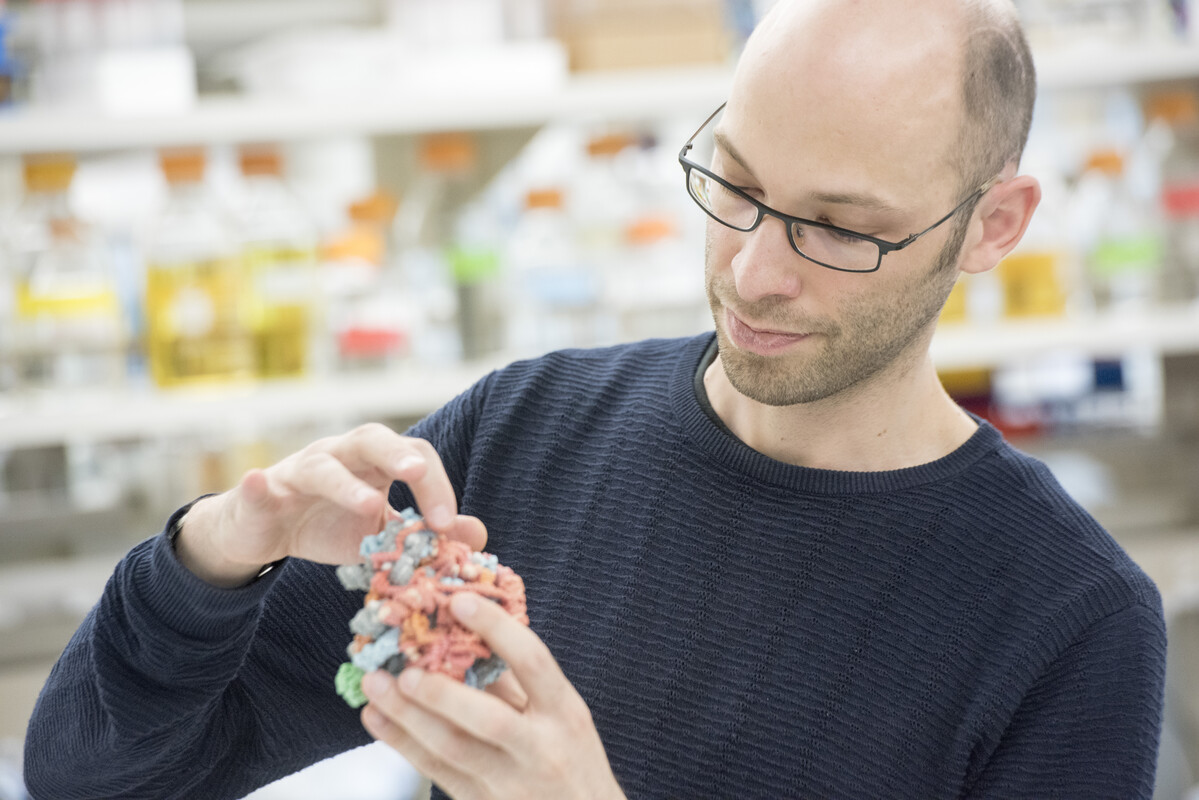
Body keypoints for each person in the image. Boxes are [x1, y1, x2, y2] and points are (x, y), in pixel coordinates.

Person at [25, 0, 1167, 797]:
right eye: (736, 184)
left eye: (839, 226)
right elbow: (92, 774)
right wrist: (221, 547)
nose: (754, 270)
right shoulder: (518, 439)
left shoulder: (1068, 620)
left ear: (991, 226)